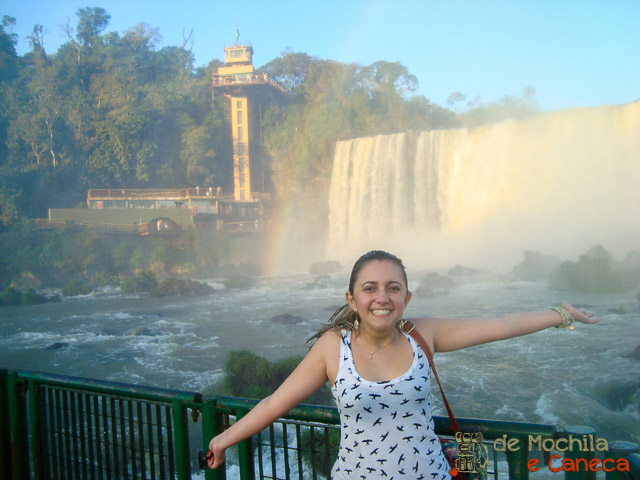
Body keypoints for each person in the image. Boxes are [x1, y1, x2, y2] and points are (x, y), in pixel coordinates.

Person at [206, 250, 600, 478]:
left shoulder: (422, 334)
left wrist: (559, 314)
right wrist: (223, 439)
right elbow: (275, 403)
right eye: (370, 288)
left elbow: (499, 326)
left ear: (406, 297)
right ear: (351, 298)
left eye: (393, 288)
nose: (382, 297)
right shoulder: (332, 347)